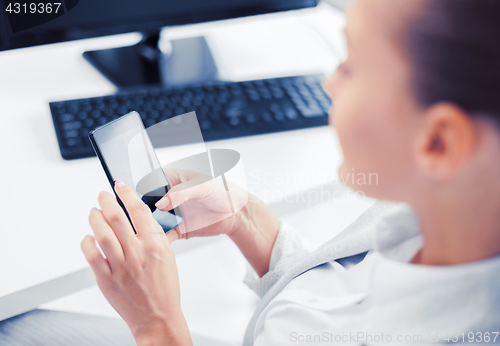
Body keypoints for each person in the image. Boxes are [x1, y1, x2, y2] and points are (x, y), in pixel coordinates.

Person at [2, 0, 500, 345]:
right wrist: (248, 221)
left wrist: (157, 325)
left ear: (439, 141)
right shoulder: (437, 212)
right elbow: (335, 291)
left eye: (351, 67)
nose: (328, 83)